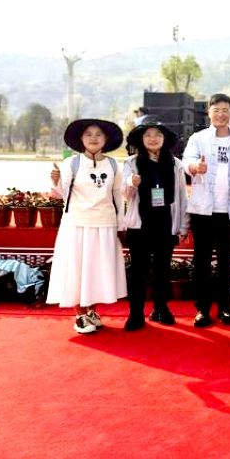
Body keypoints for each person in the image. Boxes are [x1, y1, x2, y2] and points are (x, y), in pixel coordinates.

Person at [46, 119, 127, 334]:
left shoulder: (114, 165)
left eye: (98, 134)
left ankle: (92, 311)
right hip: (77, 225)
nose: (93, 138)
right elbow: (61, 195)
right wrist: (55, 182)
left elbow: (118, 196)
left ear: (106, 139)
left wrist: (121, 224)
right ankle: (80, 314)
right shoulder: (70, 163)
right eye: (88, 134)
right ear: (81, 139)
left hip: (105, 224)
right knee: (77, 269)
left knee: (98, 269)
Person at [182, 93, 230, 327]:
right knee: (201, 261)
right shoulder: (198, 138)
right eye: (216, 110)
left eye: (225, 110)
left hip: (229, 211)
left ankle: (224, 307)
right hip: (203, 210)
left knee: (225, 261)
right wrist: (196, 166)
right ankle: (202, 309)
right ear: (209, 112)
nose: (221, 114)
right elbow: (186, 161)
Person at [121, 122, 189, 330]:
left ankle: (160, 308)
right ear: (141, 140)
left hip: (165, 222)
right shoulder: (131, 163)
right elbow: (125, 194)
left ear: (164, 139)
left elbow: (182, 196)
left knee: (162, 270)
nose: (153, 139)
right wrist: (131, 183)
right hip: (140, 224)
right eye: (148, 135)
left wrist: (183, 226)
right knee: (138, 271)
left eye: (157, 135)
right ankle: (136, 313)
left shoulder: (176, 164)